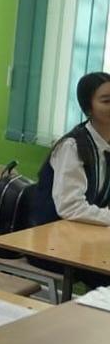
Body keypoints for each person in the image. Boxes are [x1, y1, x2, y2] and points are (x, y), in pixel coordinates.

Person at [33, 71, 110, 227]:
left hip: (86, 231)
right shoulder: (72, 147)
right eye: (107, 101)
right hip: (51, 232)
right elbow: (70, 207)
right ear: (88, 109)